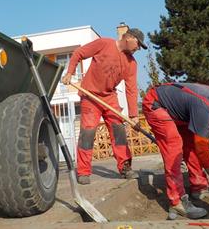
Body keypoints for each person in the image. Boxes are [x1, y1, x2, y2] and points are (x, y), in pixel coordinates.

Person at [142, 83, 209, 219]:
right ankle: (177, 202)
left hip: (180, 115)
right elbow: (203, 151)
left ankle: (199, 186)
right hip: (156, 104)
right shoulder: (205, 106)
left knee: (192, 146)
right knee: (174, 148)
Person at [61, 27, 147, 185]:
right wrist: (70, 72)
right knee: (87, 133)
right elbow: (79, 53)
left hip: (109, 97)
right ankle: (83, 171)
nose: (139, 48)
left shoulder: (131, 63)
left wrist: (134, 115)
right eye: (138, 44)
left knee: (119, 131)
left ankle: (125, 167)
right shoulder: (104, 44)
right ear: (129, 38)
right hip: (90, 96)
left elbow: (131, 90)